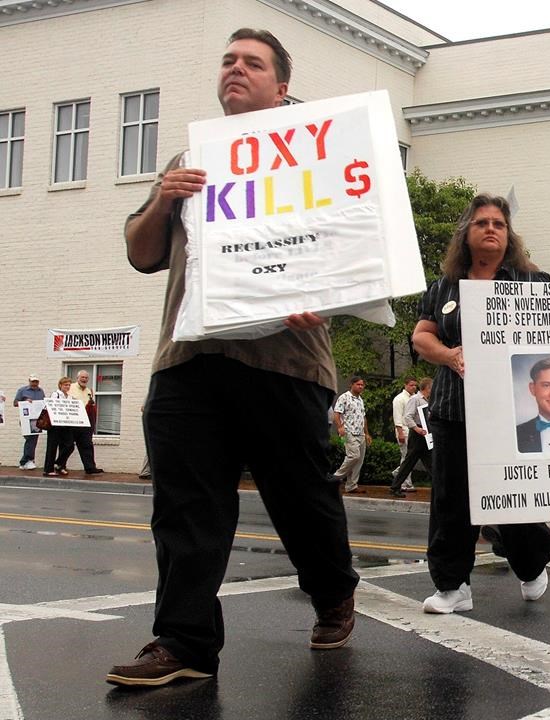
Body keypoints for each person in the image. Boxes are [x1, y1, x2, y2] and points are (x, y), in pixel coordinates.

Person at [107, 28, 359, 688]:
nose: (236, 70)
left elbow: (352, 245)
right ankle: (184, 641)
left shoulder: (318, 157)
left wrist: (322, 291)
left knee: (302, 500)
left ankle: (333, 590)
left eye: (252, 63)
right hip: (189, 358)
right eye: (228, 61)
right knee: (186, 509)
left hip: (287, 361)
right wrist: (165, 195)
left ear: (281, 86)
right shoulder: (190, 158)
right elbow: (140, 252)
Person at [412, 193, 550, 613]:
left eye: (499, 223)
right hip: (454, 411)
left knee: (513, 495)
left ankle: (531, 563)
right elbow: (421, 337)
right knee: (451, 500)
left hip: (511, 413)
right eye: (482, 223)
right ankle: (452, 586)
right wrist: (449, 354)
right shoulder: (443, 288)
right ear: (466, 234)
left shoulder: (532, 283)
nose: (491, 229)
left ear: (509, 236)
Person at [390, 377, 433, 497]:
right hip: (417, 434)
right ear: (427, 388)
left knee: (431, 462)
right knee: (409, 462)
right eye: (431, 387)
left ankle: (440, 487)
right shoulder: (415, 399)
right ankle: (395, 487)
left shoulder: (427, 401)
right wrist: (417, 429)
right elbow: (407, 417)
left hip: (425, 433)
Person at [333, 376, 372, 494]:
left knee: (359, 460)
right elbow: (336, 413)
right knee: (353, 456)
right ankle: (335, 477)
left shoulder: (360, 400)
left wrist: (367, 433)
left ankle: (351, 485)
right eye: (358, 384)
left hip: (360, 433)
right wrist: (339, 427)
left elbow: (363, 417)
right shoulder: (344, 397)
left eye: (362, 385)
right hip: (348, 432)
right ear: (352, 384)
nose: (360, 387)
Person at [68, 370, 103, 474]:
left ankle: (90, 468)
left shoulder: (88, 390)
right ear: (77, 378)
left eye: (86, 378)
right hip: (72, 421)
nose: (84, 379)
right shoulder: (70, 388)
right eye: (82, 377)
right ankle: (60, 465)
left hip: (85, 421)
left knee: (87, 445)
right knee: (68, 445)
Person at [42, 377, 75, 477]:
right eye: (65, 385)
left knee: (69, 445)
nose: (67, 387)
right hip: (55, 425)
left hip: (66, 424)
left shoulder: (69, 397)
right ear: (60, 385)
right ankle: (48, 469)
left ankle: (59, 464)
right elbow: (49, 406)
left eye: (69, 385)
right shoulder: (55, 394)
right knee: (52, 447)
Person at [391, 377, 419, 492]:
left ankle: (398, 473)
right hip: (403, 430)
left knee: (409, 457)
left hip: (412, 430)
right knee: (405, 456)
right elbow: (397, 417)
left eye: (415, 385)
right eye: (411, 385)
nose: (413, 387)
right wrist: (400, 432)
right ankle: (404, 483)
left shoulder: (415, 398)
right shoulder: (399, 399)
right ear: (405, 385)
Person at [14, 375, 45, 469]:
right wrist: (25, 402)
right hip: (26, 418)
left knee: (33, 439)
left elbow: (43, 402)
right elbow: (15, 403)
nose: (34, 383)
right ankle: (27, 460)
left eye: (36, 381)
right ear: (29, 381)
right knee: (30, 439)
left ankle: (25, 461)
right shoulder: (22, 390)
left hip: (37, 419)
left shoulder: (41, 391)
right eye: (33, 381)